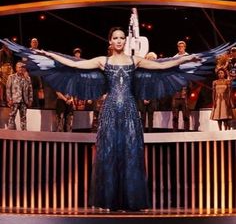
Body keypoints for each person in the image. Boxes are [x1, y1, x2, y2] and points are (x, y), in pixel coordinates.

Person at [1, 27, 220, 211]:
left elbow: (163, 66)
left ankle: (131, 200)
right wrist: (49, 55)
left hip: (129, 111)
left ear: (126, 40)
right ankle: (109, 200)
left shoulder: (135, 61)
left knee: (131, 151)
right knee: (109, 152)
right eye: (115, 38)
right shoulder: (102, 61)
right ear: (110, 40)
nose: (118, 41)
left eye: (121, 38)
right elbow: (74, 65)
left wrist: (187, 58)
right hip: (109, 112)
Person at [6, 61, 33, 130]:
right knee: (12, 115)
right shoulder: (11, 77)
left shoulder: (27, 78)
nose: (21, 69)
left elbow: (30, 90)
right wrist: (9, 99)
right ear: (16, 68)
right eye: (19, 67)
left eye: (22, 67)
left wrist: (30, 100)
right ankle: (10, 131)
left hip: (24, 100)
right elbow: (8, 89)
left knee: (23, 117)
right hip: (14, 100)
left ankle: (24, 132)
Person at [172, 40, 191, 131]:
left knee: (186, 114)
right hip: (176, 88)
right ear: (177, 47)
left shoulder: (188, 57)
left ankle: (186, 131)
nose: (181, 48)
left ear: (185, 47)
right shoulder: (174, 57)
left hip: (185, 87)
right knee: (175, 114)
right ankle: (175, 131)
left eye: (182, 46)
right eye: (179, 46)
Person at [137, 52, 158, 132]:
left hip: (152, 96)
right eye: (150, 58)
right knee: (142, 117)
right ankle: (142, 135)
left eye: (153, 59)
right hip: (142, 96)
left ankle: (151, 135)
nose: (152, 60)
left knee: (150, 117)